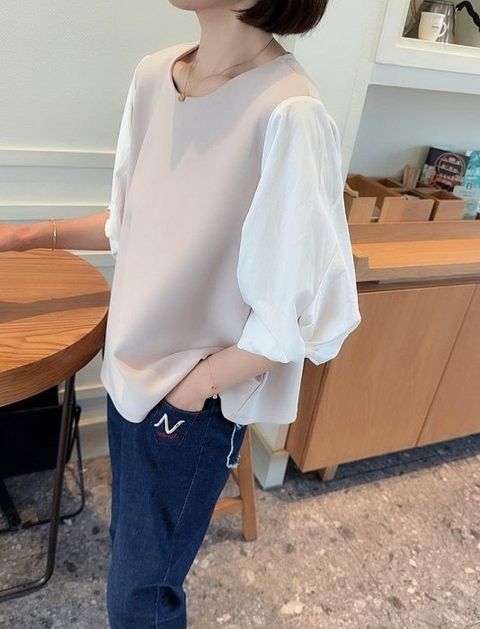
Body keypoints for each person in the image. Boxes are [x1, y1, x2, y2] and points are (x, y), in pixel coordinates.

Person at [0, 0, 362, 626]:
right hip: (127, 376)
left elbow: (292, 316)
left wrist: (193, 390)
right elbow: (131, 222)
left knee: (140, 597)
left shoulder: (290, 112)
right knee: (133, 560)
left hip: (188, 407)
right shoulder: (154, 75)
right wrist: (29, 236)